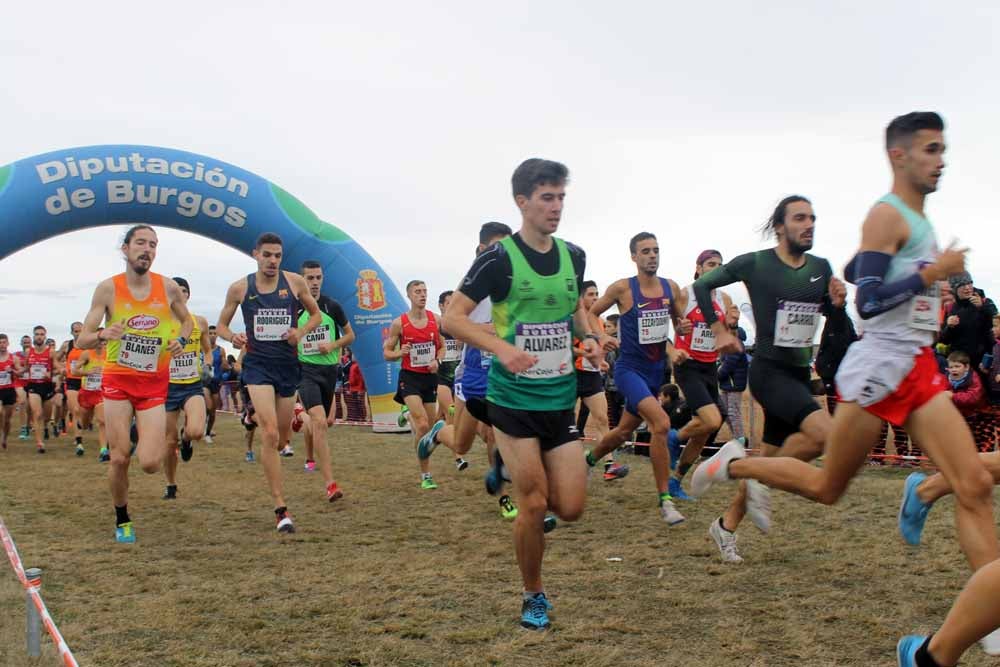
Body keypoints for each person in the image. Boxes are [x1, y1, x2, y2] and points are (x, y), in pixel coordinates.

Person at [445, 159, 600, 630]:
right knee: (533, 504)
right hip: (511, 399)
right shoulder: (497, 259)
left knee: (570, 508)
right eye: (547, 198)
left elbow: (574, 308)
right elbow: (451, 319)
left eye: (561, 198)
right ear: (522, 201)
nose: (556, 208)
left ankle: (511, 474)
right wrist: (501, 348)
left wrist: (589, 337)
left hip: (559, 398)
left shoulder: (574, 255)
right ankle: (532, 593)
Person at [689, 193, 848, 562]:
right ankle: (733, 464)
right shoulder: (755, 263)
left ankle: (725, 526)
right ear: (780, 226)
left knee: (770, 466)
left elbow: (833, 325)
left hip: (798, 372)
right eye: (799, 218)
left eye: (812, 218)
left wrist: (837, 307)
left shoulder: (821, 267)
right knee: (827, 436)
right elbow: (702, 286)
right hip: (769, 372)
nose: (808, 225)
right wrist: (718, 330)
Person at [76, 224, 192, 543]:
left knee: (151, 463)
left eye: (153, 245)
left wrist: (181, 340)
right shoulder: (108, 289)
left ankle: (131, 432)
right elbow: (84, 337)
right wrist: (103, 333)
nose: (147, 249)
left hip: (154, 384)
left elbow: (188, 321)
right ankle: (122, 517)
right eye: (140, 243)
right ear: (125, 249)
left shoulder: (167, 288)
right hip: (118, 381)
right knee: (119, 457)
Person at [216, 232, 322, 533]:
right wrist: (232, 336)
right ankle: (280, 507)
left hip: (287, 365)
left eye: (277, 255)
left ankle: (260, 421)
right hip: (258, 365)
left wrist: (298, 334)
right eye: (267, 255)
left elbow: (314, 316)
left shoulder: (295, 283)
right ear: (256, 255)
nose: (273, 260)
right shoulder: (240, 288)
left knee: (284, 439)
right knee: (271, 433)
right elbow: (222, 325)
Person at [584, 232, 689, 523]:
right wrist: (601, 333)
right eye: (645, 251)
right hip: (629, 369)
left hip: (656, 372)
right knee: (661, 423)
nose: (652, 255)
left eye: (656, 250)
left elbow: (679, 325)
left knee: (621, 433)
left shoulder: (671, 287)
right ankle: (665, 501)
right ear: (634, 256)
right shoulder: (622, 289)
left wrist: (682, 331)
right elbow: (591, 313)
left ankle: (588, 461)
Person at [668, 250, 736, 501]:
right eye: (711, 264)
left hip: (710, 367)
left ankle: (675, 480)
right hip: (688, 365)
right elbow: (669, 321)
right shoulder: (686, 295)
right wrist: (677, 329)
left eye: (720, 265)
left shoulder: (725, 298)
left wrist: (733, 324)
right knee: (710, 419)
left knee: (707, 428)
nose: (716, 268)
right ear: (698, 268)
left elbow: (726, 333)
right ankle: (674, 437)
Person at [384, 279, 462, 488]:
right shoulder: (400, 323)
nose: (422, 295)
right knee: (422, 424)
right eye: (417, 291)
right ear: (409, 295)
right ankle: (425, 475)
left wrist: (437, 360)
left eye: (425, 291)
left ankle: (414, 422)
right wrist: (400, 352)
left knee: (427, 428)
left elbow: (443, 347)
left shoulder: (435, 320)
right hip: (409, 377)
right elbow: (387, 353)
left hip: (429, 378)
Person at [296, 259, 354, 499]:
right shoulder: (294, 308)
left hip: (329, 371)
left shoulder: (332, 306)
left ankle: (298, 417)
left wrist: (332, 344)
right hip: (305, 370)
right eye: (310, 278)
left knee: (327, 422)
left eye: (318, 277)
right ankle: (330, 484)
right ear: (302, 280)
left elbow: (351, 336)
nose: (315, 282)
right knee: (319, 421)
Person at [161, 277, 213, 500]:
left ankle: (187, 439)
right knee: (168, 441)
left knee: (196, 431)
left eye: (184, 291)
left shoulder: (199, 322)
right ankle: (171, 484)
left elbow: (207, 350)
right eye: (176, 291)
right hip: (167, 387)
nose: (180, 294)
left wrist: (208, 365)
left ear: (188, 295)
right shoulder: (160, 322)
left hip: (192, 384)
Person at [572, 281, 610, 448]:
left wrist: (601, 362)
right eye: (590, 294)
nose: (595, 298)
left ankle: (609, 463)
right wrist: (583, 353)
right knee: (565, 420)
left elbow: (599, 348)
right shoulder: (574, 320)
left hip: (592, 375)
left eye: (597, 294)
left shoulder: (599, 321)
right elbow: (565, 347)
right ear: (581, 298)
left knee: (602, 418)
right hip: (572, 375)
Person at [939, 271, 996, 375]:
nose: (967, 288)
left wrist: (982, 308)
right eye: (962, 285)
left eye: (969, 283)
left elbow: (995, 325)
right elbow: (944, 340)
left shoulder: (985, 301)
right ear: (954, 289)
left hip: (982, 362)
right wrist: (949, 326)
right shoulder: (950, 308)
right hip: (960, 365)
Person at [73, 336, 108, 461]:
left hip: (101, 393)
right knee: (85, 424)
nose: (101, 344)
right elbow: (74, 371)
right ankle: (80, 424)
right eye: (98, 341)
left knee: (102, 420)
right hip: (87, 393)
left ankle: (104, 450)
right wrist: (88, 372)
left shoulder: (109, 354)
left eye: (103, 341)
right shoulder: (87, 354)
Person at [24, 325, 57, 453]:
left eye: (42, 334)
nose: (39, 336)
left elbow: (57, 368)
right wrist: (16, 371)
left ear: (45, 336)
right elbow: (26, 368)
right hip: (33, 386)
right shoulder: (28, 352)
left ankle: (45, 428)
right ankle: (39, 443)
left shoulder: (51, 352)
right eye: (37, 334)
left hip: (47, 386)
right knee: (37, 414)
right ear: (33, 336)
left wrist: (52, 374)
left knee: (47, 417)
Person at [56, 321, 85, 455]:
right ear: (72, 332)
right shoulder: (67, 345)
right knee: (75, 409)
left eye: (81, 330)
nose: (78, 333)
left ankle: (82, 428)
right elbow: (55, 359)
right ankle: (78, 441)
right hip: (72, 381)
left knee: (85, 413)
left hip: (87, 381)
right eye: (76, 331)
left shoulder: (89, 345)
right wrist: (61, 368)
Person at [717, 319, 749, 441]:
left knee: (733, 413)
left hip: (733, 385)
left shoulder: (735, 345)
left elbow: (728, 365)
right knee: (725, 413)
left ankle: (740, 439)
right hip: (728, 384)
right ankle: (738, 438)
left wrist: (717, 374)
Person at [436, 291, 462, 425]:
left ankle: (434, 433)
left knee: (440, 417)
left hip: (459, 377)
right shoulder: (435, 326)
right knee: (452, 413)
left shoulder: (462, 325)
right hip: (442, 378)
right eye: (448, 303)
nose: (452, 306)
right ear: (441, 306)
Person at [203, 325, 230, 444]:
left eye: (215, 333)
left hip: (216, 382)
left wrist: (226, 365)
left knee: (213, 411)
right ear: (207, 335)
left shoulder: (221, 350)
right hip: (204, 382)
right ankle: (201, 428)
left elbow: (225, 367)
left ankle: (208, 432)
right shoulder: (201, 349)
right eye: (210, 333)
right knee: (208, 406)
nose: (213, 335)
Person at [0, 334, 23, 450]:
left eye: (4, 342)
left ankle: (4, 437)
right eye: (0, 343)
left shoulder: (13, 358)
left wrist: (12, 370)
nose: (2, 345)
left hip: (9, 390)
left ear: (8, 343)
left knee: (7, 419)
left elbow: (20, 373)